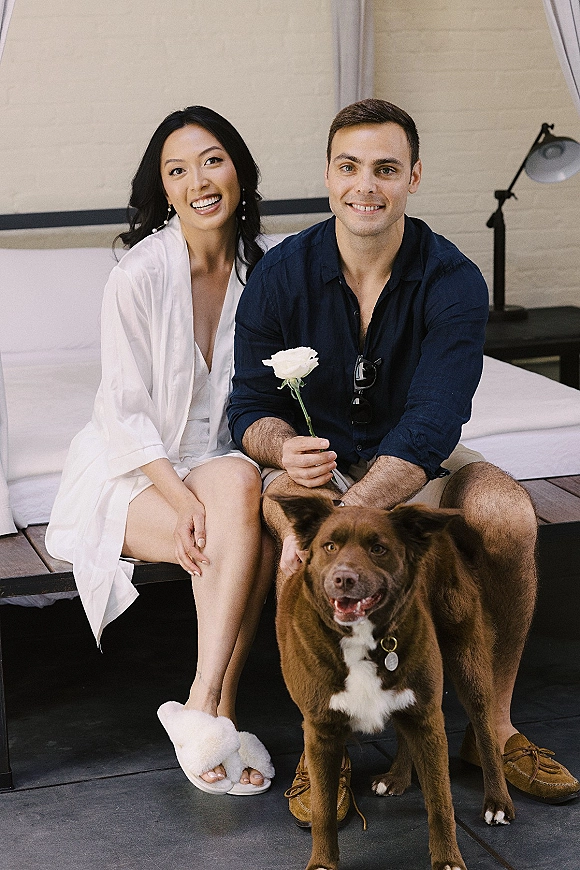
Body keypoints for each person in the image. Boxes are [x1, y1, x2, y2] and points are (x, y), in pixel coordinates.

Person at [227, 98, 579, 817]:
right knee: (302, 555)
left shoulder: (452, 279)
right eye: (350, 167)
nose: (367, 185)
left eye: (386, 169)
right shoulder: (278, 275)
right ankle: (319, 747)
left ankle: (496, 730)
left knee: (508, 515)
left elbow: (434, 423)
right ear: (328, 176)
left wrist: (361, 515)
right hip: (313, 475)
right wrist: (281, 447)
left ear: (413, 177)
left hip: (413, 465)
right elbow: (244, 410)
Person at [46, 106, 275, 796]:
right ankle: (218, 712)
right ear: (164, 191)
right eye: (177, 171)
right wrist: (178, 501)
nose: (199, 180)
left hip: (217, 458)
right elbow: (122, 413)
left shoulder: (264, 273)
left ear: (237, 170)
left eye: (212, 160)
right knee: (242, 522)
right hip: (131, 470)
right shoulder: (138, 276)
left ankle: (205, 706)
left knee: (241, 488)